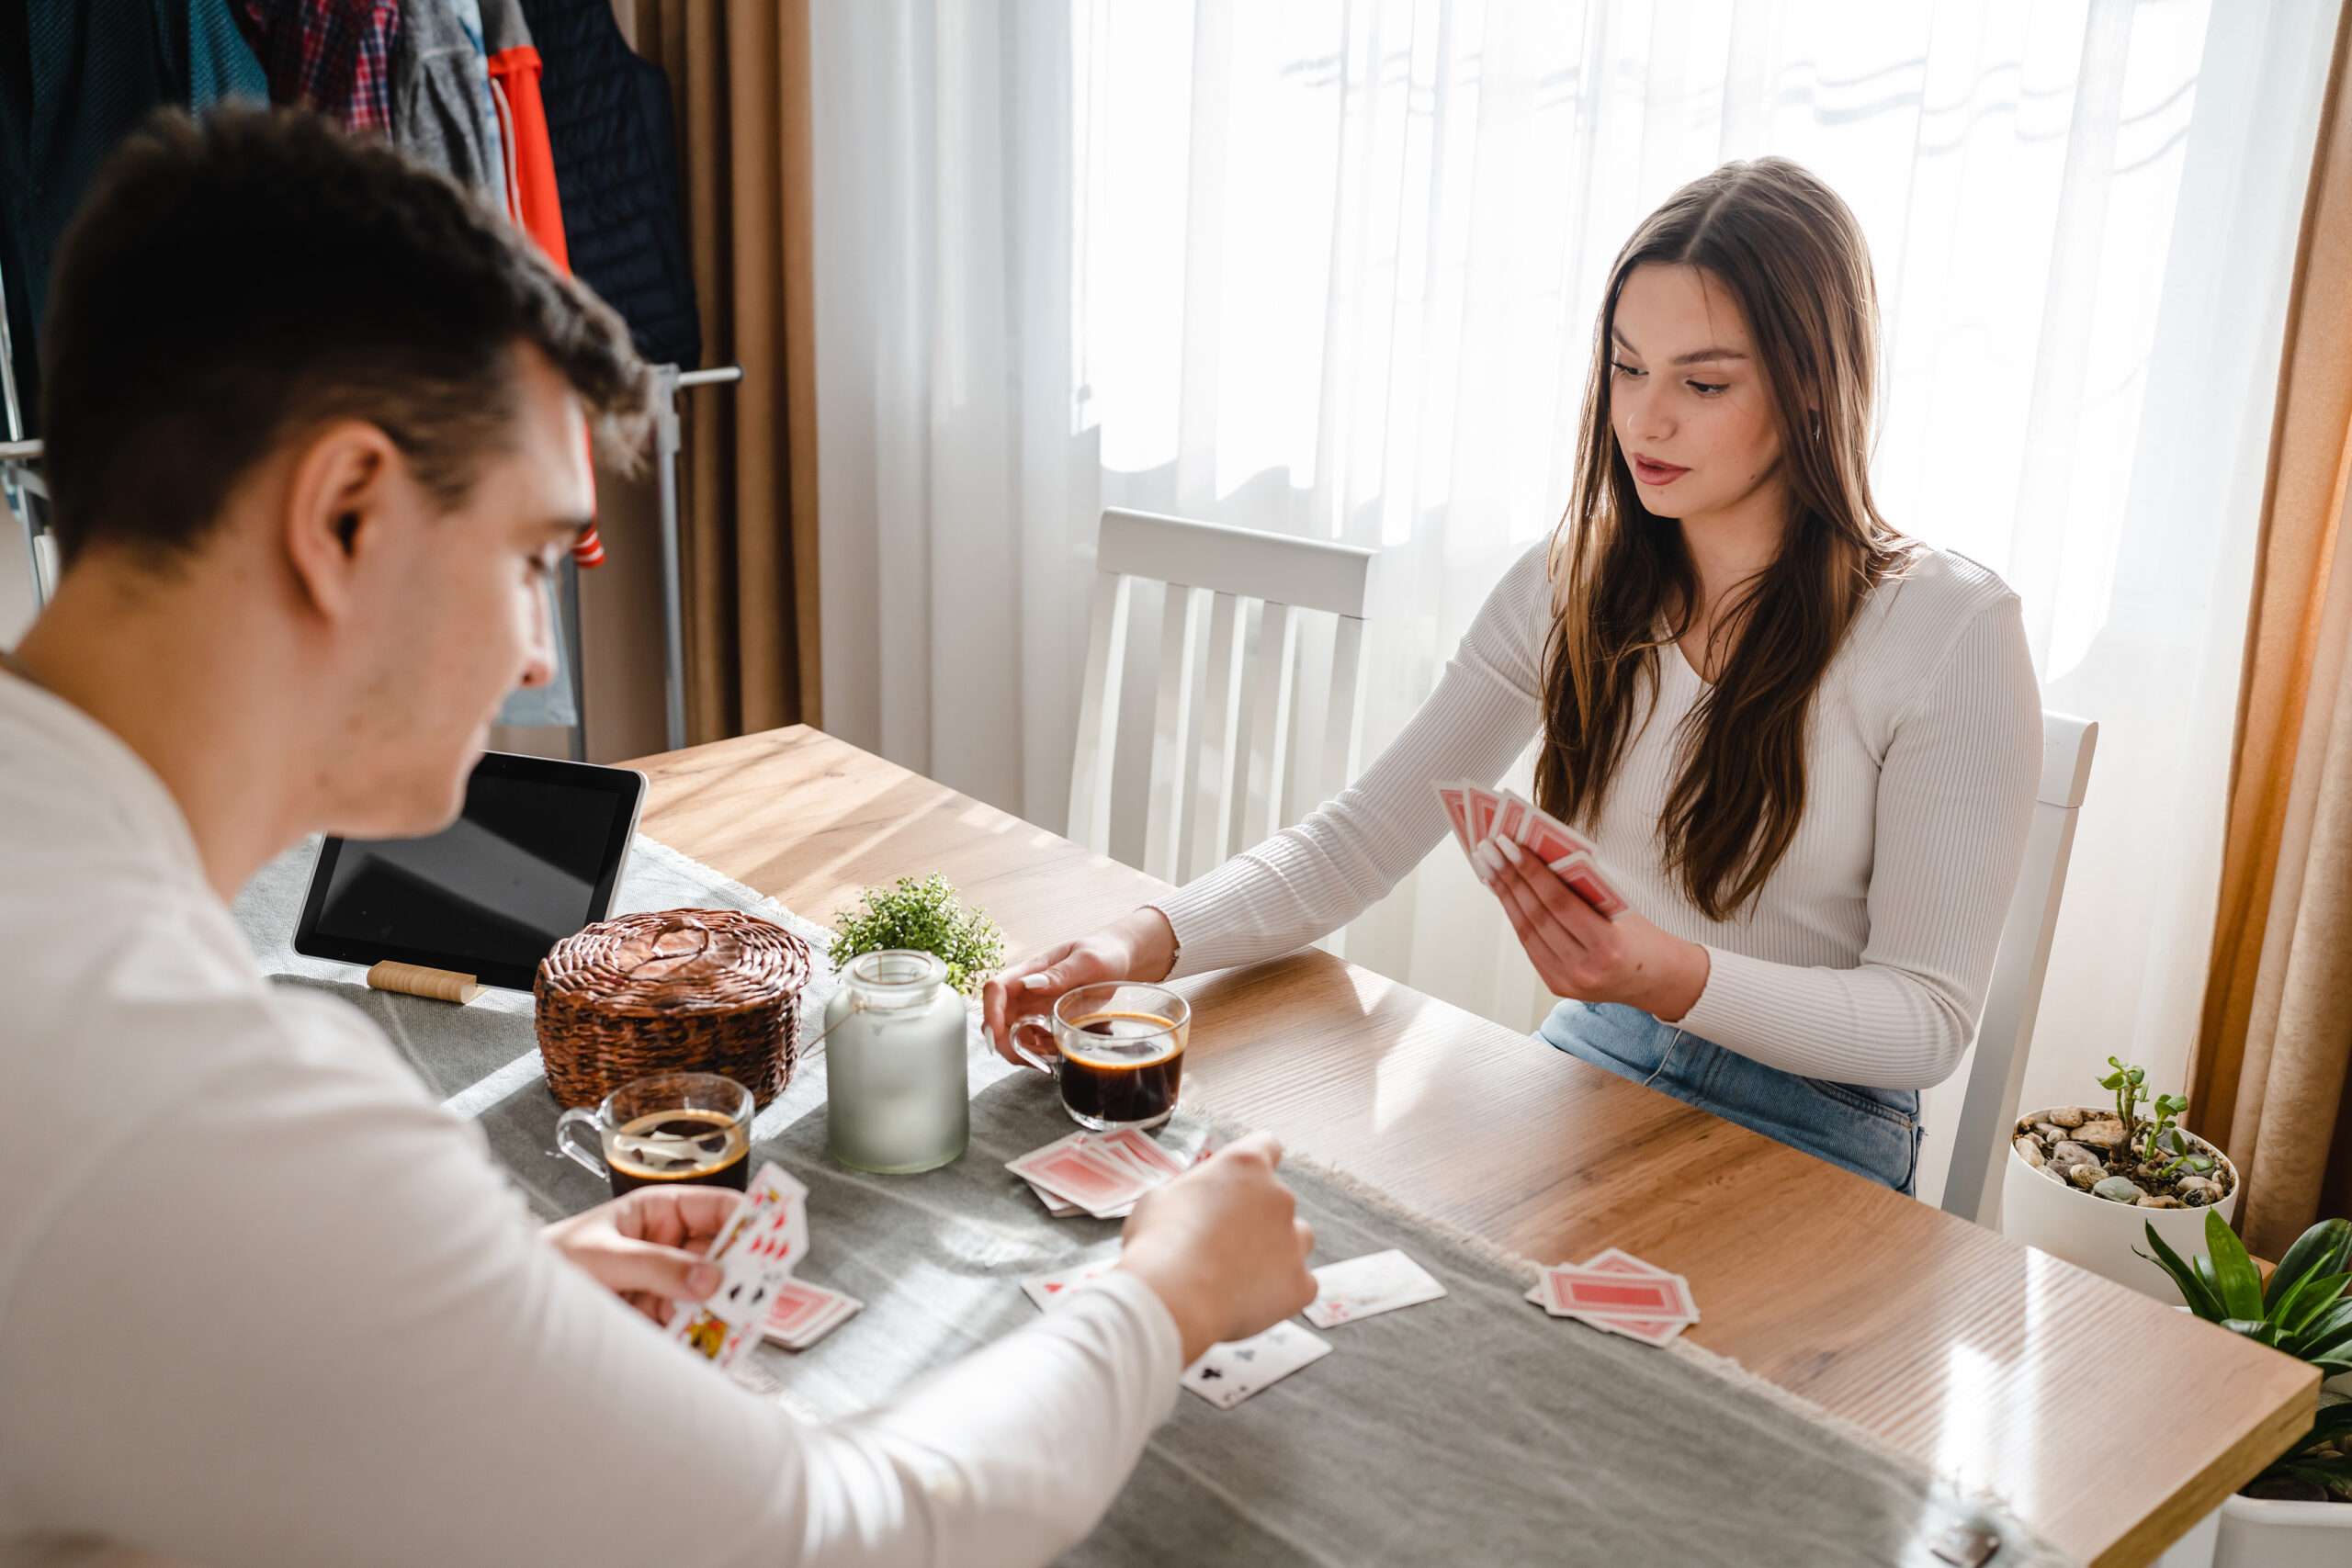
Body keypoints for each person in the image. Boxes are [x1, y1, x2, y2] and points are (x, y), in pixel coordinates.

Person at [0, 107, 1316, 1567]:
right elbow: (850, 1535)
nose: (533, 657)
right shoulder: (207, 1101)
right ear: (347, 511)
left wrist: (462, 1317)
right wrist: (1165, 1290)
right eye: (526, 559)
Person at [988, 158, 2042, 1197]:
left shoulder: (1949, 629)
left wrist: (1665, 976)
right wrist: (1137, 942)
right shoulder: (1572, 580)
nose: (1645, 420)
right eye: (1626, 368)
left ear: (1812, 384)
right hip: (1597, 1050)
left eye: (1702, 382)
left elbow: (1924, 1022)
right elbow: (1356, 842)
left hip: (1824, 1118)